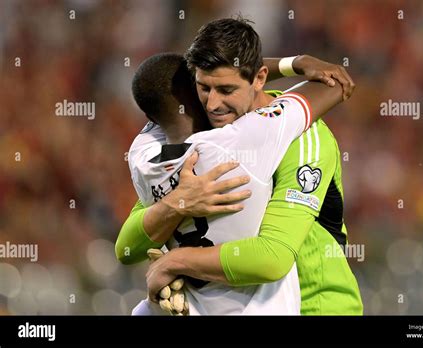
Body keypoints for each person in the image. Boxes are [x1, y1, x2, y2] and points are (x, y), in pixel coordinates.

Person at [117, 17, 362, 315]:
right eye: (204, 88)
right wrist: (179, 204)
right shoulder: (198, 134)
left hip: (316, 307)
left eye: (226, 90)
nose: (212, 105)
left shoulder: (305, 138)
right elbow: (127, 246)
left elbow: (273, 257)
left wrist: (175, 262)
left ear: (259, 78)